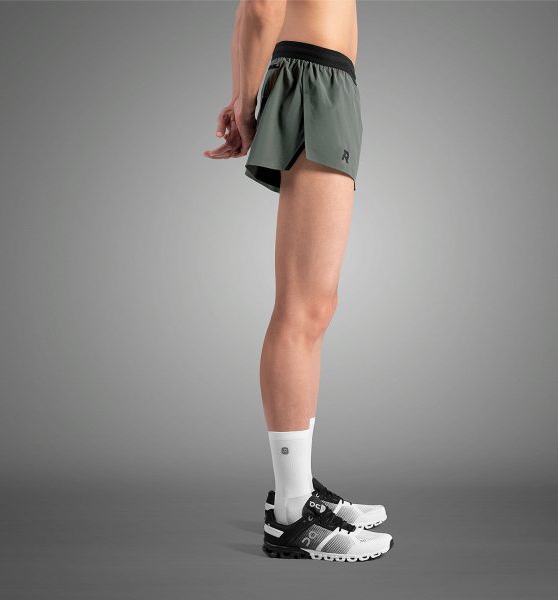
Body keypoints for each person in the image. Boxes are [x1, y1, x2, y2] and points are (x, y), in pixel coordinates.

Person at [204, 0, 393, 562]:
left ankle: (299, 489)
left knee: (317, 304)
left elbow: (248, 12)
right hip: (313, 76)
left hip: (325, 78)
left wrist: (248, 96)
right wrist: (246, 102)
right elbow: (260, 8)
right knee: (302, 307)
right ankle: (291, 516)